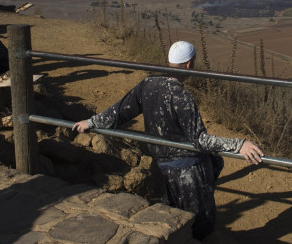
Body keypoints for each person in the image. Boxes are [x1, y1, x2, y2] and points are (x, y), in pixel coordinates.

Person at [72, 41, 264, 240]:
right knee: (200, 225)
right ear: (189, 64)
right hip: (189, 173)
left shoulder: (148, 84)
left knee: (171, 220)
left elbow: (119, 112)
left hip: (162, 169)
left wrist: (91, 122)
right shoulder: (182, 96)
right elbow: (200, 140)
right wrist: (239, 145)